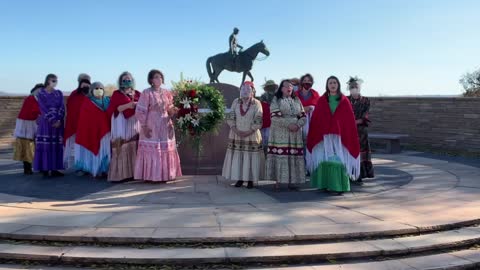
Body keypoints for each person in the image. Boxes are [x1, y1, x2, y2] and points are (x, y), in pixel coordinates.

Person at [307, 76, 360, 195]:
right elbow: (317, 118)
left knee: (337, 159)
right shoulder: (321, 100)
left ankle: (337, 186)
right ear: (327, 85)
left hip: (339, 136)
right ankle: (323, 184)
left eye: (334, 82)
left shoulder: (344, 100)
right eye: (330, 83)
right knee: (323, 157)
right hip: (324, 135)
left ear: (338, 85)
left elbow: (348, 119)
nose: (332, 85)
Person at [134, 69, 182, 182]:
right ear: (151, 80)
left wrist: (174, 110)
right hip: (151, 124)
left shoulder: (166, 93)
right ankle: (151, 176)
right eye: (156, 77)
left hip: (165, 124)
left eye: (160, 77)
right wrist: (144, 126)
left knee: (166, 149)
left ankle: (166, 175)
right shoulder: (147, 92)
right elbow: (140, 111)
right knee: (153, 149)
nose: (158, 79)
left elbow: (169, 109)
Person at [265, 79, 306, 190]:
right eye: (287, 86)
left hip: (295, 133)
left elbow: (303, 116)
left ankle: (292, 182)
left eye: (291, 86)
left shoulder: (296, 100)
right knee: (280, 155)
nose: (289, 88)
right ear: (281, 88)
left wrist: (298, 125)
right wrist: (289, 125)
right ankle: (277, 182)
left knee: (293, 155)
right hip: (280, 132)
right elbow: (275, 117)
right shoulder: (276, 99)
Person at [222, 81, 264, 189]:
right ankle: (239, 178)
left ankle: (250, 180)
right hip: (237, 134)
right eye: (243, 89)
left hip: (251, 134)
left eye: (248, 89)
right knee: (239, 156)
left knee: (250, 157)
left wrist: (250, 131)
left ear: (252, 92)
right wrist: (235, 129)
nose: (245, 91)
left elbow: (258, 118)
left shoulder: (257, 103)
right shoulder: (236, 102)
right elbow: (230, 116)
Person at [107, 72, 141, 182]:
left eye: (129, 79)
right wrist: (128, 105)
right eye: (124, 80)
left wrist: (136, 104)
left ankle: (132, 173)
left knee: (133, 145)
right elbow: (116, 109)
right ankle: (119, 174)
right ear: (121, 81)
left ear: (133, 81)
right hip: (121, 122)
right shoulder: (117, 94)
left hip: (134, 122)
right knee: (121, 145)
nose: (127, 81)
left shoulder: (138, 93)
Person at [74, 82, 111, 178]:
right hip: (92, 132)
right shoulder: (87, 102)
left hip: (106, 132)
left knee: (105, 151)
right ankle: (95, 169)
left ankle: (104, 169)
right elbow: (84, 119)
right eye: (96, 88)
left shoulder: (107, 101)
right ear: (91, 90)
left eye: (101, 88)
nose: (99, 90)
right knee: (95, 151)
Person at [33, 74, 65, 177]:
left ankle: (55, 169)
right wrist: (53, 120)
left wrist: (59, 119)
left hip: (58, 123)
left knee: (56, 145)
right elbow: (43, 108)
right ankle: (45, 169)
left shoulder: (58, 93)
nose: (55, 82)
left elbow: (62, 106)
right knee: (45, 145)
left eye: (56, 80)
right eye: (53, 80)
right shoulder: (41, 94)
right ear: (47, 81)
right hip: (46, 122)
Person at [347, 76, 374, 183]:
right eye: (352, 86)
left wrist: (355, 122)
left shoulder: (366, 100)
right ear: (349, 88)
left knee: (361, 153)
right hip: (348, 130)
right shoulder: (345, 100)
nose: (354, 88)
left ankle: (360, 175)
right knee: (349, 152)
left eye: (356, 86)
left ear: (360, 87)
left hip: (361, 131)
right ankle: (349, 174)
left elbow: (365, 115)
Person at [13, 83, 42, 175]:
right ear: (35, 90)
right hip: (25, 124)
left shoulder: (35, 99)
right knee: (27, 146)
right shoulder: (30, 99)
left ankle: (33, 167)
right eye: (39, 90)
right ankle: (27, 168)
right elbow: (36, 110)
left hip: (31, 123)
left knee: (33, 145)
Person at [64, 75, 91, 171]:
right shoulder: (74, 94)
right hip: (76, 125)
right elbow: (71, 110)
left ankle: (88, 165)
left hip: (88, 125)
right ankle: (80, 167)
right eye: (83, 82)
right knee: (78, 147)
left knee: (88, 147)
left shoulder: (91, 94)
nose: (85, 84)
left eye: (87, 82)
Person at [259, 80, 277, 154]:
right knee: (264, 141)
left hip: (276, 122)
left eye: (271, 86)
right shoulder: (263, 96)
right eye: (269, 87)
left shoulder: (278, 96)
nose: (270, 88)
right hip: (265, 122)